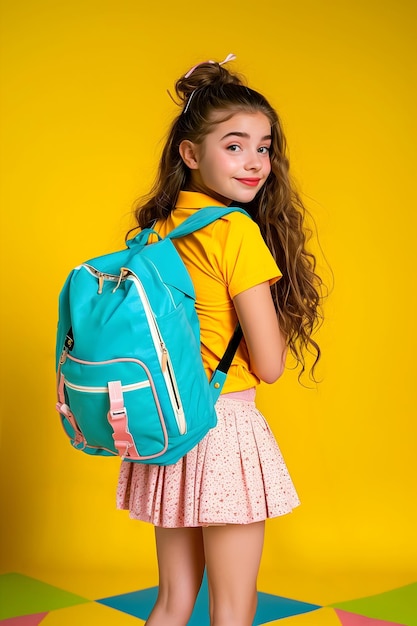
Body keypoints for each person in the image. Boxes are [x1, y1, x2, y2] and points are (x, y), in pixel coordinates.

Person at [117, 53, 322, 626]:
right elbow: (272, 364)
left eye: (264, 146)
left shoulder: (154, 231)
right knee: (232, 607)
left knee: (173, 599)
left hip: (164, 427)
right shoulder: (236, 233)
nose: (255, 162)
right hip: (223, 428)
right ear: (190, 153)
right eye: (234, 145)